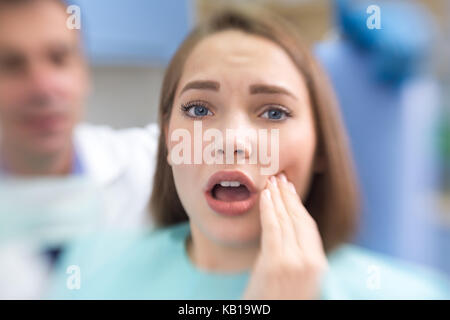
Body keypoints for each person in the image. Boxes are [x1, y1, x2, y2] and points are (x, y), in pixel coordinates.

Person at [49, 8, 450, 299]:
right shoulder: (90, 270)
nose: (233, 141)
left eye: (274, 112)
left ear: (322, 148)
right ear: (170, 139)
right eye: (200, 109)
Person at [0, 0, 158, 298]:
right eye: (12, 64)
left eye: (59, 58)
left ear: (83, 72)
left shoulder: (153, 165)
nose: (42, 86)